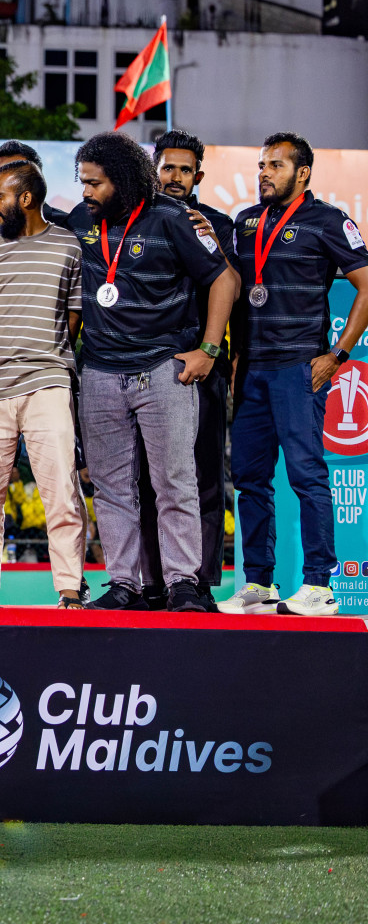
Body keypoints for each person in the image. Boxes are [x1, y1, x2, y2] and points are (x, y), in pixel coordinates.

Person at [69, 132, 240, 612]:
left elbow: (225, 278)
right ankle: (123, 583)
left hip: (162, 370)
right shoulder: (84, 219)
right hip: (100, 372)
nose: (85, 192)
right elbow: (33, 224)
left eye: (94, 183)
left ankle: (183, 582)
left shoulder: (172, 218)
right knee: (112, 488)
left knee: (175, 482)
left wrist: (208, 348)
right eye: (83, 182)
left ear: (120, 182)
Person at [221, 132, 368, 617]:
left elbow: (366, 286)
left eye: (276, 165)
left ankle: (319, 587)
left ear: (302, 173)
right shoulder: (245, 223)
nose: (264, 172)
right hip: (252, 371)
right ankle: (259, 585)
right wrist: (237, 358)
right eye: (262, 164)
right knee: (250, 480)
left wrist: (338, 355)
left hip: (299, 367)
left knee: (306, 477)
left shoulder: (329, 221)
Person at [0, 160, 85, 608]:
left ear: (26, 199)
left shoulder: (69, 246)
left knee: (61, 491)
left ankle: (70, 590)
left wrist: (45, 353)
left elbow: (74, 315)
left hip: (47, 380)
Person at [131, 131, 236, 609]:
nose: (174, 178)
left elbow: (236, 285)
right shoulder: (133, 217)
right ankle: (154, 582)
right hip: (149, 366)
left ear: (198, 176)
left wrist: (215, 247)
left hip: (205, 364)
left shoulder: (219, 224)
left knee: (203, 477)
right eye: (167, 168)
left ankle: (199, 584)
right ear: (153, 168)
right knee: (150, 479)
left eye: (184, 170)